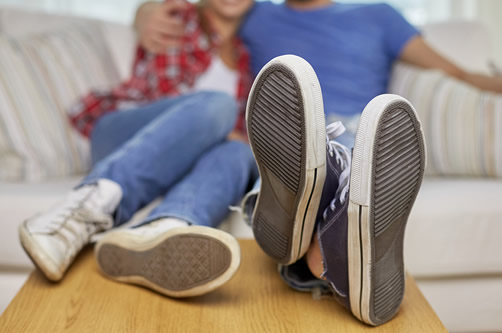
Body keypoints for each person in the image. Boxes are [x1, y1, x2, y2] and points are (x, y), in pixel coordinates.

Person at [134, 0, 502, 326]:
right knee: (260, 152)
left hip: (357, 127)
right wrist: (145, 12)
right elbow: (195, 14)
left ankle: (317, 233)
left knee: (348, 145)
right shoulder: (255, 12)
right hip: (282, 131)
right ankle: (316, 232)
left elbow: (457, 73)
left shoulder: (380, 15)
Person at [18, 0, 256, 298]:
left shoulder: (246, 56)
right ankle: (82, 210)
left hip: (180, 161)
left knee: (238, 153)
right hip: (124, 132)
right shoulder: (177, 17)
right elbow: (170, 96)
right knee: (217, 107)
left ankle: (166, 227)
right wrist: (143, 11)